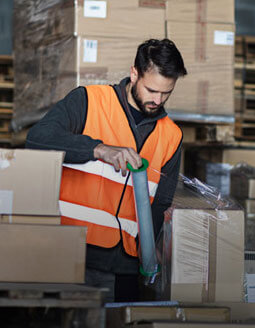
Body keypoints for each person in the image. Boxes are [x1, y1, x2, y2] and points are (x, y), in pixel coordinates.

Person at [25, 39, 187, 302]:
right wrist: (98, 150)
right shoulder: (89, 101)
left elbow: (161, 204)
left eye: (166, 93)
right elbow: (38, 139)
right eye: (151, 89)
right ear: (134, 73)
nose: (157, 100)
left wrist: (151, 255)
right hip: (71, 253)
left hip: (125, 268)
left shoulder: (172, 136)